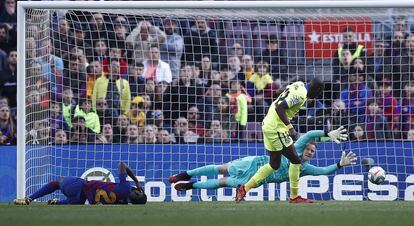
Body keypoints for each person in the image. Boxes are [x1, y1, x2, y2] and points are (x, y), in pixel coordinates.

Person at [170, 128, 354, 191]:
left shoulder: (304, 168)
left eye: (314, 152)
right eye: (310, 149)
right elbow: (309, 135)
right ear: (304, 148)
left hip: (256, 180)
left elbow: (322, 171)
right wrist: (327, 134)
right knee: (221, 168)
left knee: (222, 183)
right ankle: (184, 174)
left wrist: (339, 164)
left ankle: (189, 186)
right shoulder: (296, 148)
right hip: (255, 163)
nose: (311, 152)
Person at [235, 78, 325, 203]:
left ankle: (244, 189)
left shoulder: (298, 85)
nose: (316, 96)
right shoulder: (301, 94)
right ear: (316, 89)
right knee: (296, 160)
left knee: (274, 164)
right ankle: (294, 197)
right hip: (277, 128)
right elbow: (280, 108)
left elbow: (281, 92)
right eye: (318, 93)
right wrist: (291, 128)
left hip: (268, 124)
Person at [14, 162, 147, 205]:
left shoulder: (126, 187)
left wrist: (136, 181)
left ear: (138, 191)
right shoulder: (123, 203)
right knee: (75, 202)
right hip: (79, 199)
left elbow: (122, 164)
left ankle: (29, 198)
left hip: (78, 186)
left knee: (57, 182)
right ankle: (56, 202)